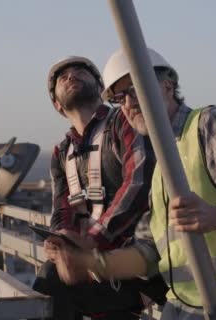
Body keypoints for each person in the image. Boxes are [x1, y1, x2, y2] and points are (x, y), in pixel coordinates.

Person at [45, 48, 216, 319]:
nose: (129, 104)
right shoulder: (164, 156)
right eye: (120, 98)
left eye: (135, 90)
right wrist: (92, 263)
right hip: (181, 301)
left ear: (167, 86)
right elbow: (151, 251)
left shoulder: (209, 123)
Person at [33, 55, 167, 320]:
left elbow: (139, 183)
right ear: (58, 105)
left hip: (139, 261)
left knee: (53, 284)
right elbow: (62, 208)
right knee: (52, 276)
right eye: (62, 77)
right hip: (92, 263)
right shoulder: (62, 152)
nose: (70, 76)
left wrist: (92, 240)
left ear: (100, 88)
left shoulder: (125, 122)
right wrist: (59, 241)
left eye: (79, 72)